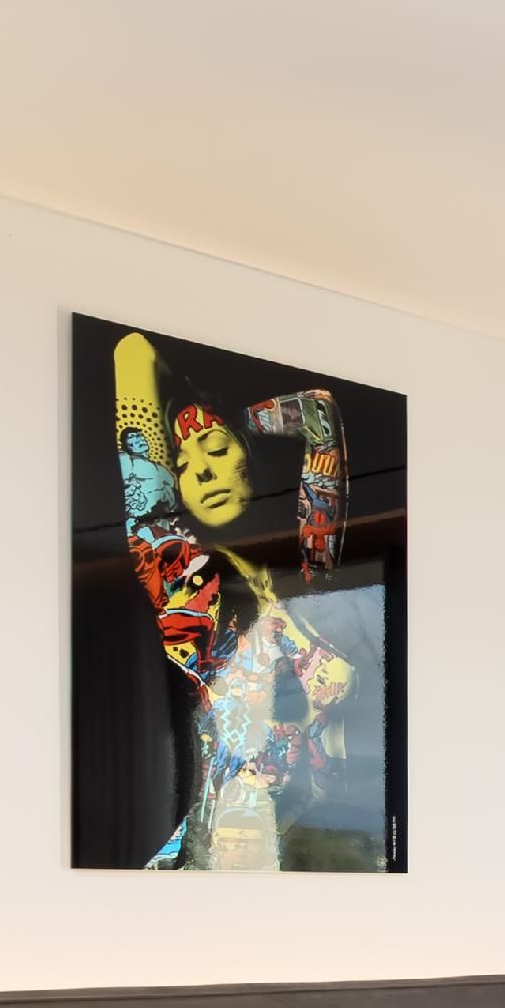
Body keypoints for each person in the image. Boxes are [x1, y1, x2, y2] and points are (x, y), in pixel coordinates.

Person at [109, 329, 360, 870]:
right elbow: (132, 354)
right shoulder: (186, 585)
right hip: (216, 859)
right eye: (181, 463)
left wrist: (240, 418)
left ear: (254, 461)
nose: (200, 470)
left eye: (218, 449)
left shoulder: (308, 579)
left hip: (321, 858)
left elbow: (319, 420)